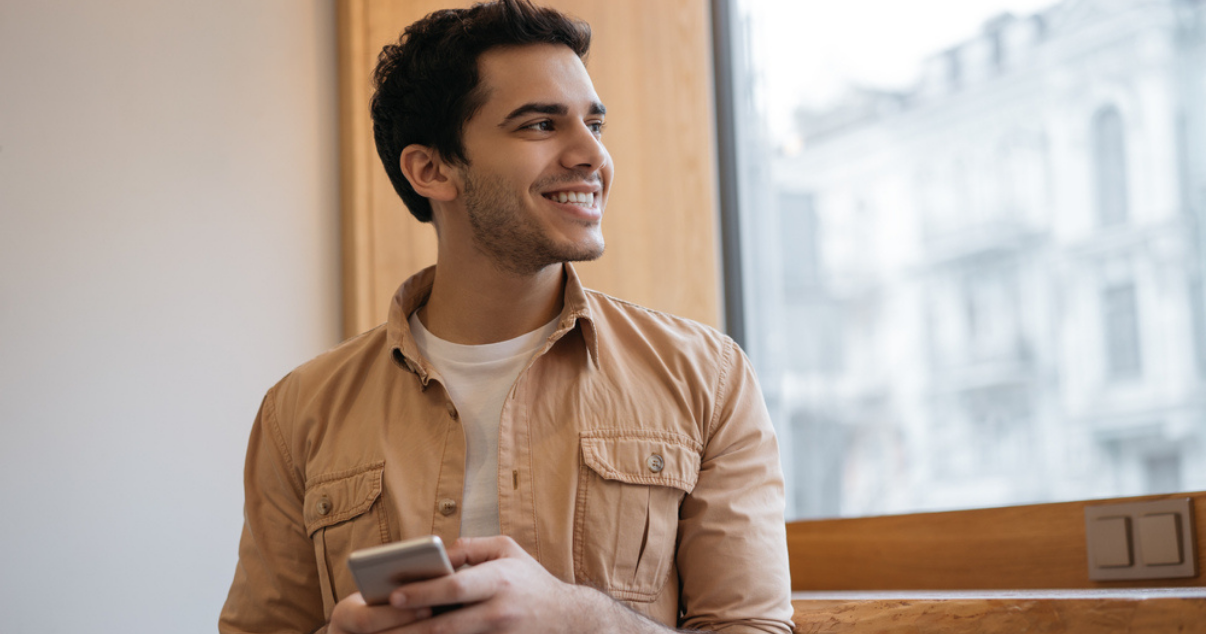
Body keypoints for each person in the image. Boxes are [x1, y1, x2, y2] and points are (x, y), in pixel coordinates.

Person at [218, 1, 793, 632]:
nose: (590, 156)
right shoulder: (299, 412)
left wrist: (577, 619)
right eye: (541, 126)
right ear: (432, 169)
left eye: (594, 126)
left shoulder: (707, 380)